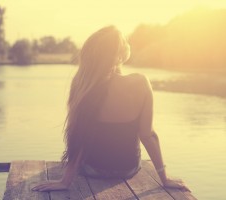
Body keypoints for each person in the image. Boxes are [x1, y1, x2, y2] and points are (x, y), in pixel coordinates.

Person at [32, 25, 189, 192]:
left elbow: (77, 135)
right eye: (124, 42)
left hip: (92, 169)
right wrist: (164, 178)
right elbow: (147, 135)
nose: (128, 44)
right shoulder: (140, 82)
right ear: (118, 55)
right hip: (128, 169)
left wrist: (65, 181)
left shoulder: (82, 84)